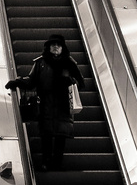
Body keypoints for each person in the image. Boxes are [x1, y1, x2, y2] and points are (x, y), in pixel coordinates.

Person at [5, 34, 83, 170]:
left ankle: (57, 163)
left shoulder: (70, 63)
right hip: (46, 104)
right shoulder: (40, 63)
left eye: (58, 45)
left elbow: (80, 83)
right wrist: (17, 82)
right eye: (53, 45)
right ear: (48, 47)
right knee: (46, 134)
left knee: (61, 136)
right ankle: (46, 162)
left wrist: (71, 81)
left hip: (64, 105)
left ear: (63, 48)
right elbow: (31, 81)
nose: (56, 47)